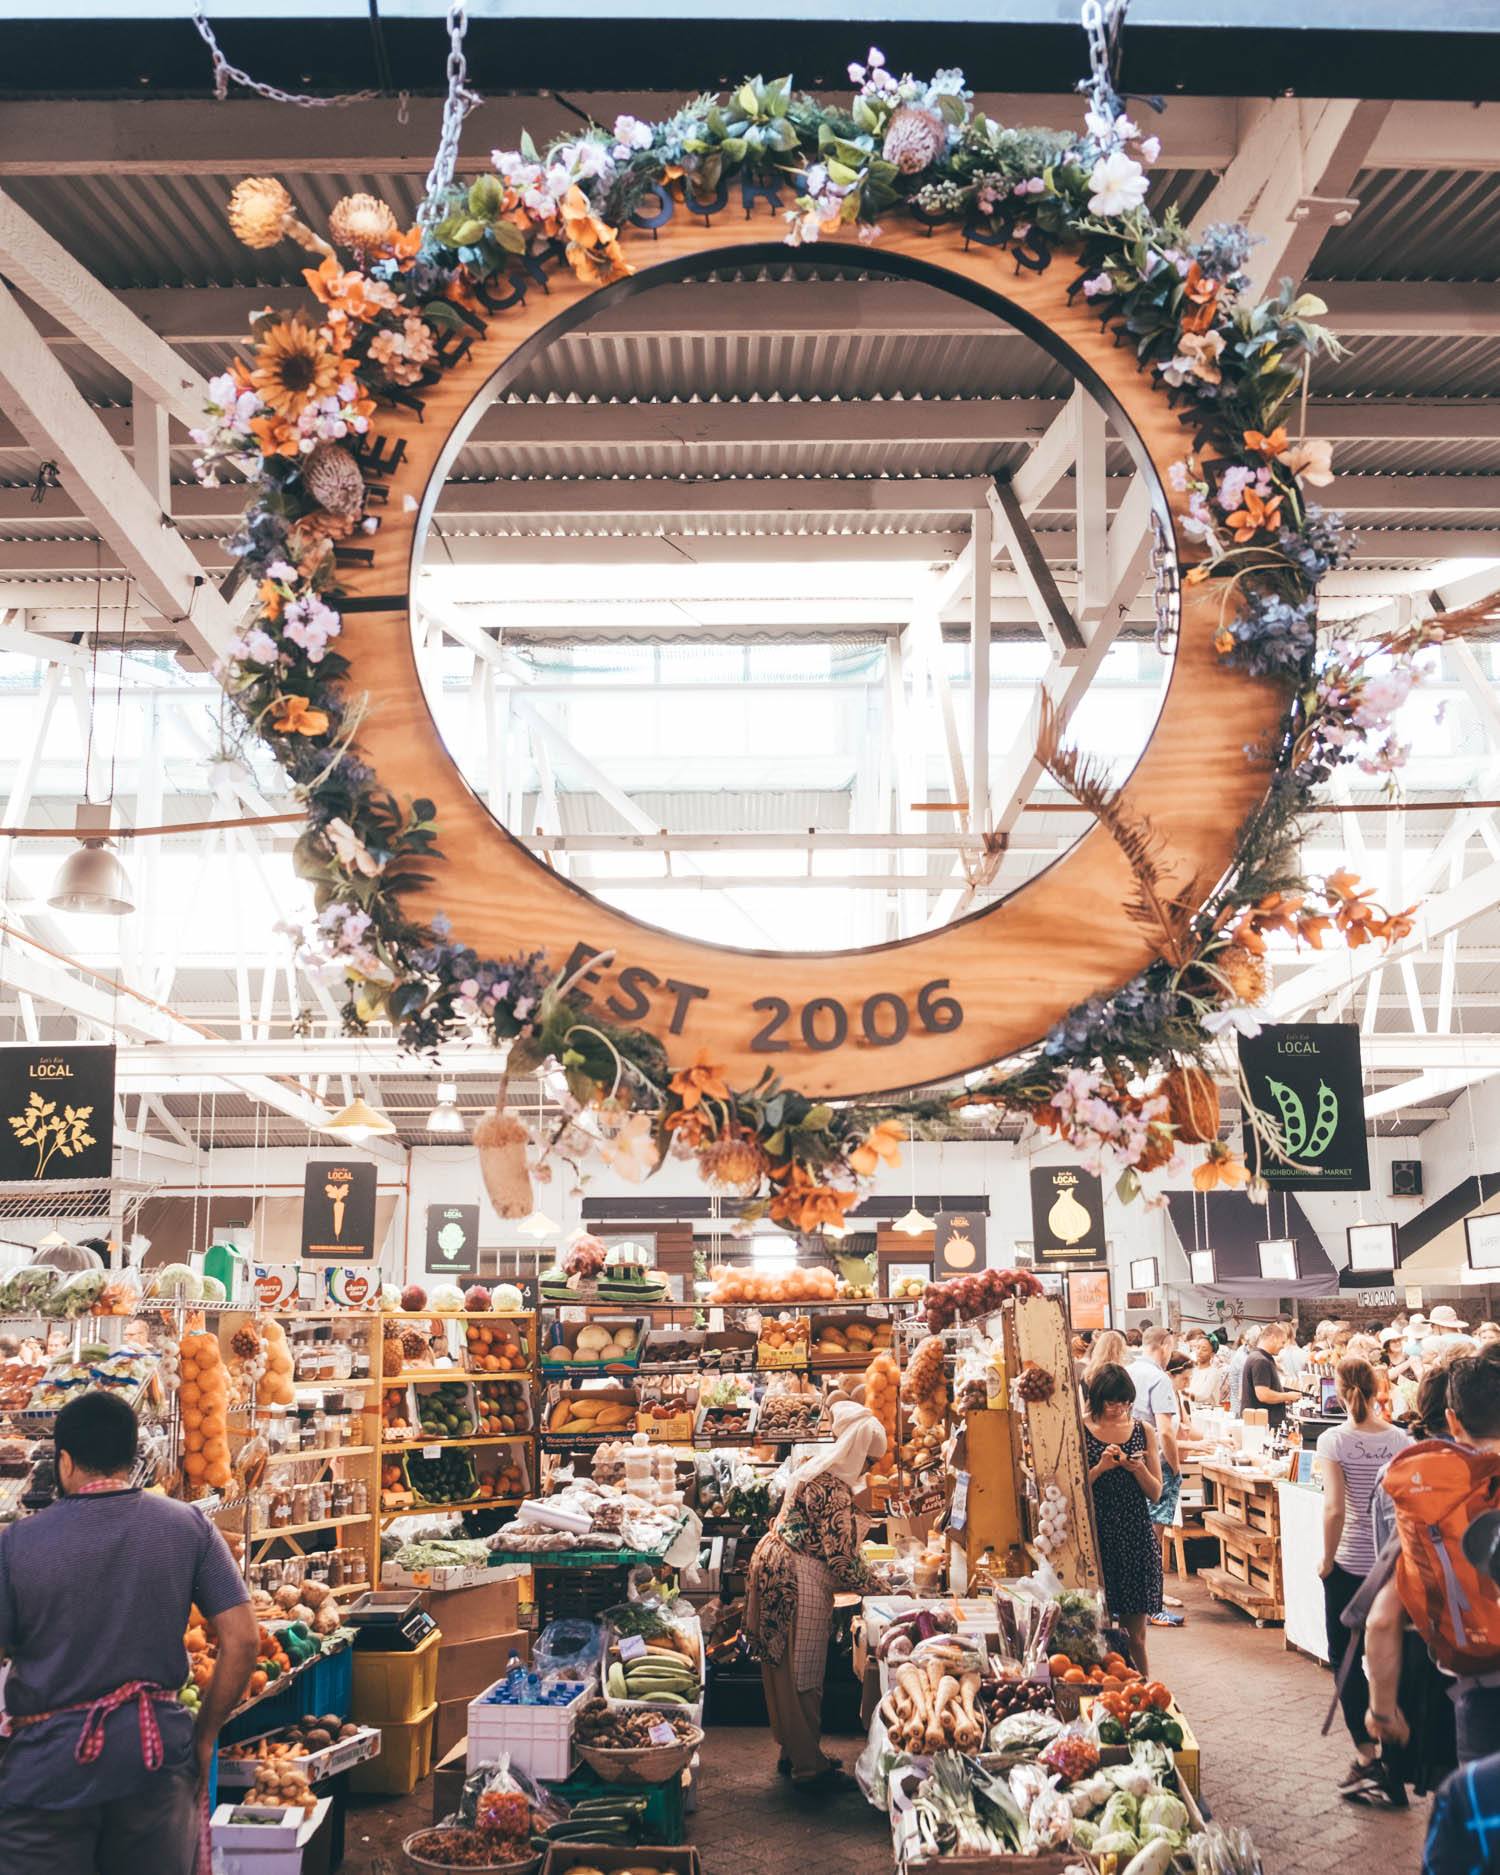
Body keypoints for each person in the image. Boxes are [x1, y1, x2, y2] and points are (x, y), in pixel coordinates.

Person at [0, 1390, 257, 1875]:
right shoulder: (189, 1526)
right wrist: (205, 1736)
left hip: (48, 1774)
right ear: (131, 1458)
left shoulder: (17, 1544)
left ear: (66, 1461)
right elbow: (243, 1640)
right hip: (152, 1759)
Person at [1365, 1351, 1500, 1768]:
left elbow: (1381, 1618)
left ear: (1453, 1421)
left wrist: (1382, 1711)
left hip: (1478, 1686)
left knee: (1483, 1819)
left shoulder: (1433, 1502)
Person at [746, 1399, 886, 1790]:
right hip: (795, 1577)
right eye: (870, 1461)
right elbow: (842, 1560)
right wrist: (883, 1588)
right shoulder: (834, 1490)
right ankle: (808, 1765)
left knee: (782, 1666)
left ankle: (794, 1749)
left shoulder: (812, 1471)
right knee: (803, 1670)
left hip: (776, 1566)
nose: (870, 1469)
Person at [1315, 1355, 1412, 1807]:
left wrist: (1326, 1559)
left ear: (1338, 1390)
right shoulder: (1401, 1439)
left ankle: (1367, 1754)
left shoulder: (1334, 1440)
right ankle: (1394, 1760)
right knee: (1392, 1657)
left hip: (1351, 1565)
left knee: (1347, 1660)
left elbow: (1335, 1508)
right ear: (1376, 1391)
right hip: (1393, 1566)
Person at [1083, 1362, 1163, 1675]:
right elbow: (1075, 1491)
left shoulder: (1143, 1431)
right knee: (1098, 1633)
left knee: (1136, 1637)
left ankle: (1145, 1692)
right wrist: (1100, 1468)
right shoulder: (1081, 1429)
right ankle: (1105, 1692)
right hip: (1098, 1538)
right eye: (1112, 1402)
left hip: (1135, 1538)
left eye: (1125, 1402)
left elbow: (1155, 1492)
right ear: (1098, 1398)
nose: (1119, 1409)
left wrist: (1138, 1468)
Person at [1127, 1328, 1182, 1534]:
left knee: (1137, 1531)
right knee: (1154, 1533)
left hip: (1131, 1457)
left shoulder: (1128, 1371)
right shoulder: (1160, 1379)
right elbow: (1165, 1432)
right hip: (1155, 1463)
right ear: (1164, 1347)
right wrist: (1175, 1468)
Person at [1240, 1319, 1302, 1429]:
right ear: (1273, 1338)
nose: (1283, 1346)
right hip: (1261, 1425)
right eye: (1282, 1342)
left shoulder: (1258, 1357)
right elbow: (1263, 1395)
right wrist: (1287, 1396)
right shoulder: (1260, 1360)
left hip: (1260, 1423)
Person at [1185, 1333, 1228, 1409]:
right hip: (1192, 1413)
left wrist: (1182, 1394)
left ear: (1212, 1354)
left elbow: (1203, 1395)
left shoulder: (1213, 1373)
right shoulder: (1192, 1370)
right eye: (1197, 1347)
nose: (1199, 1351)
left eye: (1204, 1349)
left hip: (1207, 1416)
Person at [1227, 1326, 1259, 1414]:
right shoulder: (1244, 1357)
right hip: (1243, 1408)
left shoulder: (1241, 1351)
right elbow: (1242, 1389)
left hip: (1239, 1405)